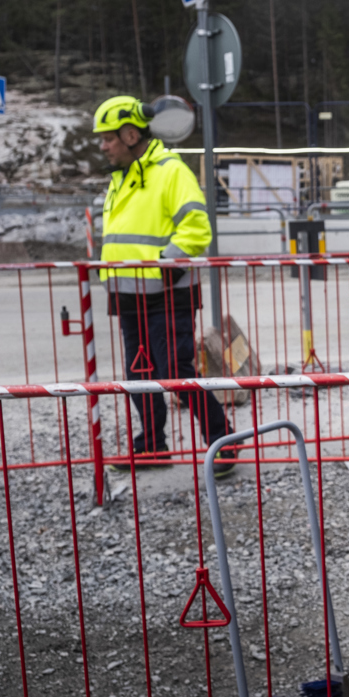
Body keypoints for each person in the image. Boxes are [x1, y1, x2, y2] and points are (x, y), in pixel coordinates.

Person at [93, 96, 232, 477]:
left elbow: (197, 227)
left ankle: (224, 443)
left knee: (177, 372)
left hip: (166, 296)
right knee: (139, 376)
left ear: (131, 134)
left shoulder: (170, 171)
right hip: (127, 296)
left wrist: (164, 265)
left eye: (108, 138)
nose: (103, 146)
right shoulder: (120, 178)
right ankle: (152, 446)